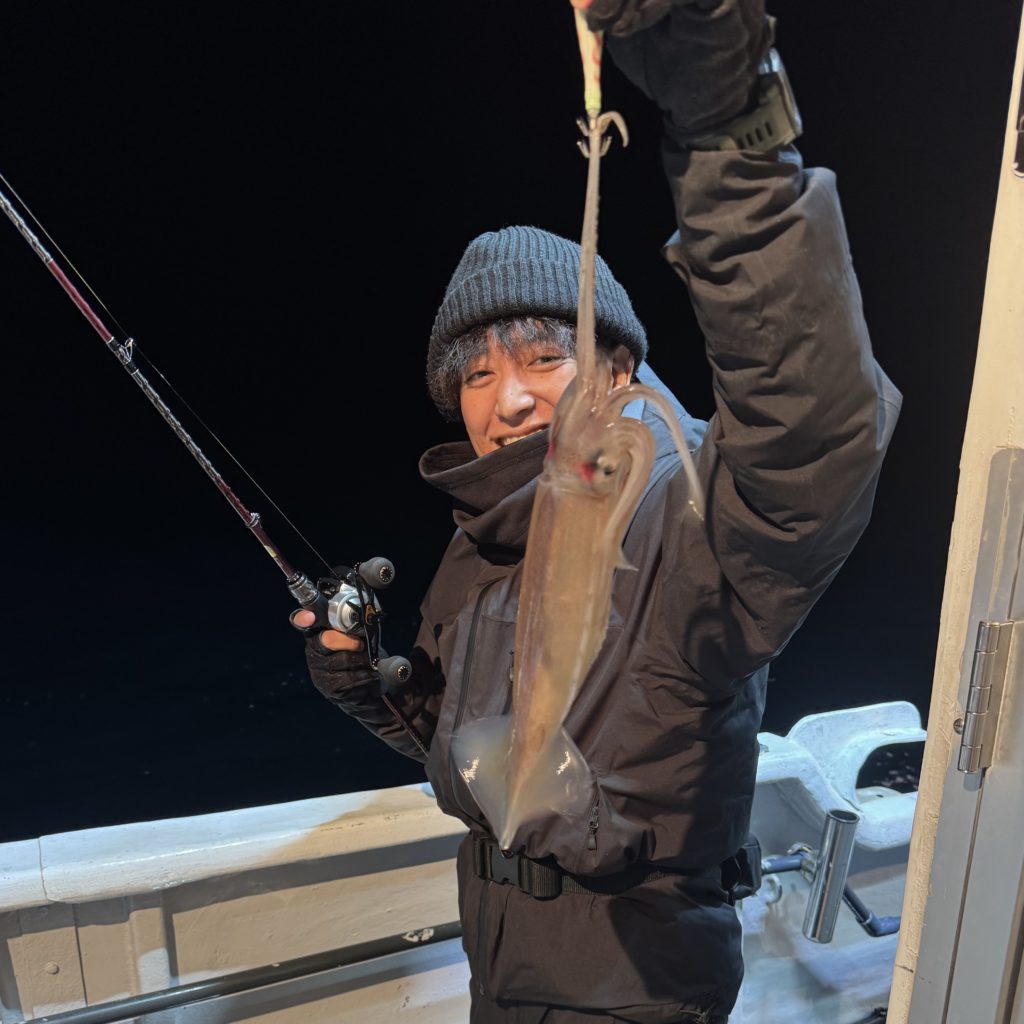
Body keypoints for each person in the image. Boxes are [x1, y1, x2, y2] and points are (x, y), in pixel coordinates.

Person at [293, 1, 901, 1020]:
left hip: (635, 985)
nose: (510, 399)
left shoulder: (683, 513)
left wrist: (727, 123)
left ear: (616, 369)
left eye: (544, 356)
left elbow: (807, 430)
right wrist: (367, 684)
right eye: (476, 374)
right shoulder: (477, 544)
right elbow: (493, 752)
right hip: (500, 973)